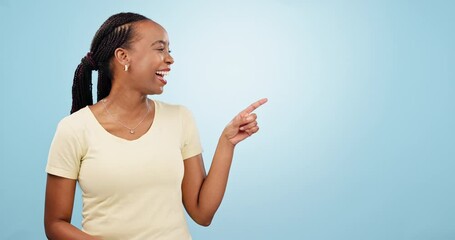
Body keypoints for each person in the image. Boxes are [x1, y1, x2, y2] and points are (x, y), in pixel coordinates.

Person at [44, 12, 267, 240]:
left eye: (169, 51)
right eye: (160, 49)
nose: (169, 59)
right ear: (123, 56)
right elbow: (55, 224)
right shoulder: (74, 129)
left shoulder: (180, 118)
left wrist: (227, 143)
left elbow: (202, 213)